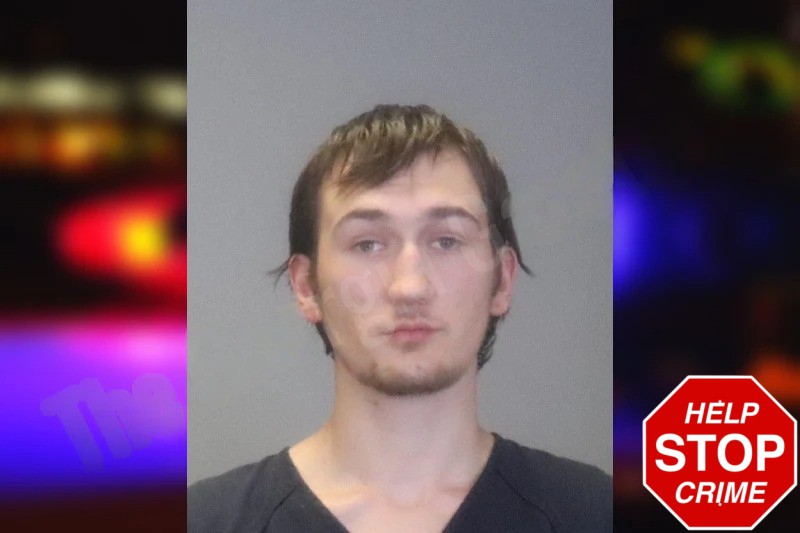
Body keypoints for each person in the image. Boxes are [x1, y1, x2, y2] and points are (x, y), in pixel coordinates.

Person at [188, 104, 611, 532]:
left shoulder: (594, 514)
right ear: (306, 287)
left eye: (446, 241)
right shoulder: (206, 521)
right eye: (367, 244)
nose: (410, 287)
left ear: (502, 280)